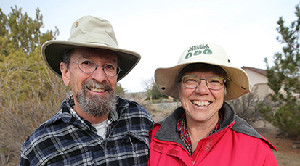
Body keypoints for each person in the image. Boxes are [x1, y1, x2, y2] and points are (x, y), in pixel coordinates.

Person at [19, 16, 153, 166]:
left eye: (109, 66)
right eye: (87, 63)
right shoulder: (40, 147)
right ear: (66, 72)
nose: (100, 77)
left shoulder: (139, 118)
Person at [148, 43, 278, 166]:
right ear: (179, 89)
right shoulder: (149, 140)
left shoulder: (257, 151)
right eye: (191, 80)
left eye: (215, 81)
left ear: (224, 91)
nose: (202, 90)